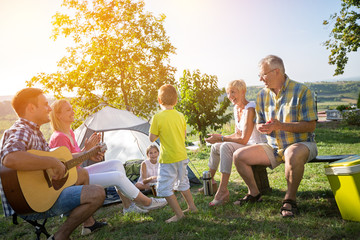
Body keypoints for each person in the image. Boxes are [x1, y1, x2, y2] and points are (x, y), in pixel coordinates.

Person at [0, 88, 106, 240]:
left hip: (42, 193)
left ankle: (88, 224)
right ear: (31, 108)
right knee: (98, 193)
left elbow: (58, 158)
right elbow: (9, 158)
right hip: (31, 203)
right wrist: (51, 161)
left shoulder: (35, 132)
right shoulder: (21, 130)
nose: (49, 108)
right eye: (45, 104)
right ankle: (60, 236)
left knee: (81, 173)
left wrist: (87, 154)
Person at [48, 99, 167, 220]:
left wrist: (91, 153)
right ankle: (147, 202)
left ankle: (128, 206)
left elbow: (76, 156)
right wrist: (87, 152)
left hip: (79, 173)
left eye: (72, 108)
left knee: (116, 164)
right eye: (68, 110)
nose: (73, 111)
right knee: (116, 176)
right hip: (72, 180)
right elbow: (66, 166)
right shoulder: (59, 137)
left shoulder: (69, 132)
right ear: (58, 115)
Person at [233, 55, 318, 218]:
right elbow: (259, 122)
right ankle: (254, 193)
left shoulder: (302, 91)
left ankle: (290, 200)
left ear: (276, 71)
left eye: (263, 74)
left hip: (301, 144)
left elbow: (310, 125)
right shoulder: (261, 96)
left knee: (291, 154)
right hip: (273, 147)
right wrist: (262, 127)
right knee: (239, 156)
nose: (260, 79)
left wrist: (281, 126)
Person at [203, 79, 266, 207]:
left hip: (255, 145)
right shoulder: (236, 108)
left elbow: (243, 139)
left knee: (225, 146)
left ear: (243, 92)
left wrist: (222, 138)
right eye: (228, 93)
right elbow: (237, 134)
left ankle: (222, 191)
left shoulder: (250, 109)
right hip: (245, 143)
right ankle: (211, 182)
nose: (230, 96)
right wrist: (220, 137)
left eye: (233, 92)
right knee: (216, 147)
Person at [149, 84, 198, 223]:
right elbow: (183, 136)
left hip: (168, 158)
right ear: (176, 101)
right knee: (183, 182)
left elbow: (152, 138)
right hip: (181, 156)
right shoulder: (181, 115)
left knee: (164, 187)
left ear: (159, 100)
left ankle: (179, 215)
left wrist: (159, 132)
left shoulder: (157, 117)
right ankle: (192, 207)